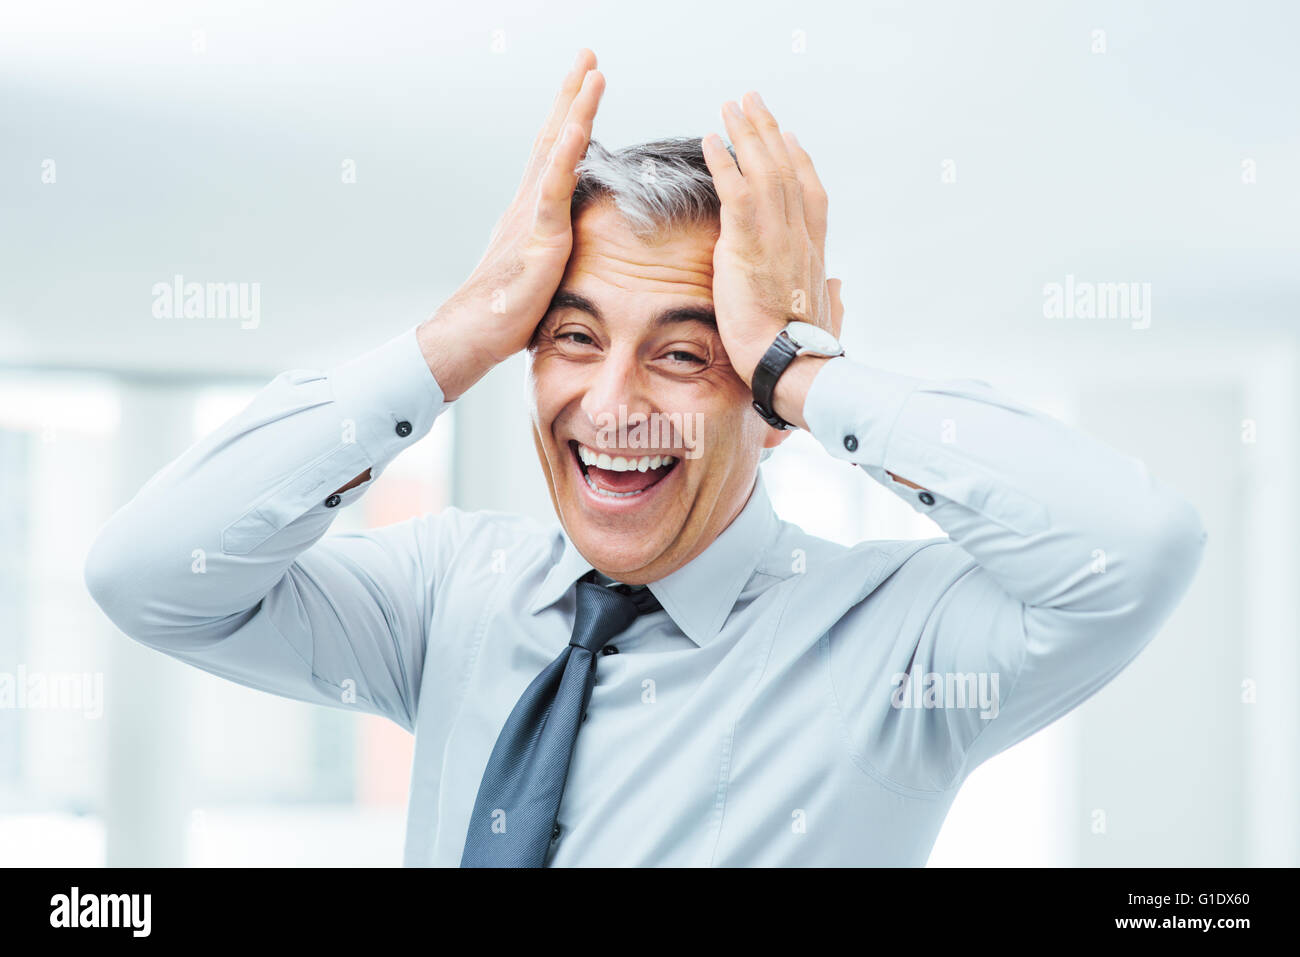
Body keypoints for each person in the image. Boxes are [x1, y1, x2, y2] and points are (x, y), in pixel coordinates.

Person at [84, 49, 1206, 866]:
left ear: (771, 399)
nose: (610, 404)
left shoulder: (898, 647)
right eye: (572, 337)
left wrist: (802, 364)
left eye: (687, 353)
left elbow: (1135, 550)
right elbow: (147, 576)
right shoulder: (444, 597)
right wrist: (461, 331)